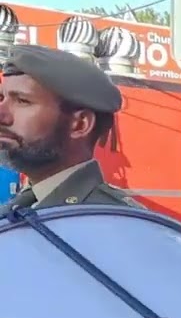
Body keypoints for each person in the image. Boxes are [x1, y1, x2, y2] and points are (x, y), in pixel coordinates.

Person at [0, 44, 138, 215]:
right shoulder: (19, 208)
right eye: (1, 98)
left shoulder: (118, 223)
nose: (2, 114)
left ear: (80, 124)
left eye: (22, 101)